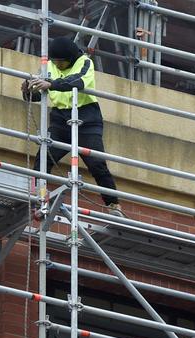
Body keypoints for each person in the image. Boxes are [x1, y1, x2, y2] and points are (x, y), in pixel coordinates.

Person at [21, 36, 124, 217]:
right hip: (60, 119)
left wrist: (51, 84)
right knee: (43, 157)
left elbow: (78, 81)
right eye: (56, 62)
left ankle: (113, 205)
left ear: (70, 57)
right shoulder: (49, 66)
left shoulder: (84, 62)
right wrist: (28, 89)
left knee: (97, 164)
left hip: (86, 119)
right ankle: (39, 197)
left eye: (62, 62)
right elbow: (41, 94)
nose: (58, 65)